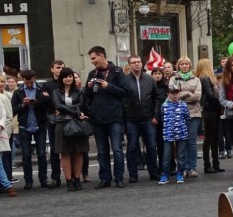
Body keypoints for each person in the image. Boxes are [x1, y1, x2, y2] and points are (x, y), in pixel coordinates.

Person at [82, 46, 128, 189]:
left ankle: (119, 178)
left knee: (117, 149)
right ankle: (105, 178)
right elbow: (86, 96)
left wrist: (108, 86)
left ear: (102, 56)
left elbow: (125, 92)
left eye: (94, 58)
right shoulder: (92, 73)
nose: (92, 61)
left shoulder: (117, 72)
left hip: (115, 118)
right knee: (102, 151)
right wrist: (89, 87)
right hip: (98, 119)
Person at [51, 67, 91, 191]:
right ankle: (69, 181)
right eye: (66, 76)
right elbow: (58, 105)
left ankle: (77, 180)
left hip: (78, 124)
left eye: (70, 76)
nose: (68, 79)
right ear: (61, 78)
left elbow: (81, 105)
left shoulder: (79, 91)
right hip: (62, 124)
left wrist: (69, 110)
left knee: (79, 152)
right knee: (65, 153)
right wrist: (75, 112)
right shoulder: (56, 92)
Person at [124, 55, 160, 183]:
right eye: (133, 62)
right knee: (132, 147)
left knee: (151, 146)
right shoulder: (125, 80)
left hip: (148, 118)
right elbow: (122, 99)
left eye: (138, 62)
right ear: (129, 65)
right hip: (131, 119)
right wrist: (125, 116)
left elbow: (156, 98)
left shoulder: (149, 79)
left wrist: (155, 115)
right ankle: (133, 174)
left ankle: (153, 172)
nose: (136, 64)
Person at [11, 70, 49, 190]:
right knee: (26, 155)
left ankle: (44, 179)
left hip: (40, 125)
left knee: (42, 154)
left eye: (30, 81)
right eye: (26, 82)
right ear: (22, 79)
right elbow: (13, 109)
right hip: (24, 126)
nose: (28, 84)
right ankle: (28, 181)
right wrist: (23, 105)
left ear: (34, 78)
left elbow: (47, 105)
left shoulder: (41, 89)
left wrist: (36, 102)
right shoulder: (18, 92)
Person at [170, 57, 202, 178]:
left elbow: (198, 97)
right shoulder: (173, 79)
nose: (184, 66)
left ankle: (192, 167)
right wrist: (189, 93)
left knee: (191, 141)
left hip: (194, 113)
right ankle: (182, 168)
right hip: (178, 113)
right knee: (181, 141)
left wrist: (183, 94)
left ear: (190, 65)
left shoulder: (196, 79)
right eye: (182, 64)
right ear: (178, 66)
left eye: (186, 64)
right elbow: (173, 96)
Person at [197, 58, 225, 174]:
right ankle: (208, 165)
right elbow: (210, 94)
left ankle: (215, 163)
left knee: (214, 138)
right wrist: (221, 100)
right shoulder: (205, 78)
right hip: (210, 110)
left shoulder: (207, 78)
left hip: (213, 110)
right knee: (209, 138)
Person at [159, 85, 190, 184]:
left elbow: (187, 119)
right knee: (166, 155)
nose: (175, 95)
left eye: (177, 93)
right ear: (168, 94)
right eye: (172, 93)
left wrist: (183, 128)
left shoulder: (183, 105)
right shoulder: (164, 106)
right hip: (168, 134)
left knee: (181, 155)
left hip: (181, 133)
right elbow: (163, 118)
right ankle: (165, 175)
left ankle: (179, 173)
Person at [41, 59, 65, 188]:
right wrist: (55, 103)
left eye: (62, 67)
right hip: (52, 120)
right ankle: (56, 177)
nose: (60, 70)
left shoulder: (67, 82)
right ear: (52, 69)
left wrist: (57, 104)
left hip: (66, 119)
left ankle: (72, 175)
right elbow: (43, 100)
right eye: (57, 67)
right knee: (55, 150)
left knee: (68, 148)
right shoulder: (47, 84)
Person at [151, 67, 170, 174]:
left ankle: (166, 166)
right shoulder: (149, 86)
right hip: (153, 118)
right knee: (153, 144)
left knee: (164, 144)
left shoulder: (165, 87)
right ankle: (155, 167)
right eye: (155, 73)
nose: (157, 75)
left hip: (165, 118)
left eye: (159, 73)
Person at [0, 73, 16, 183]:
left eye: (2, 81)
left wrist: (7, 132)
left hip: (4, 131)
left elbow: (9, 116)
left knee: (5, 157)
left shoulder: (6, 96)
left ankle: (7, 179)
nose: (1, 84)